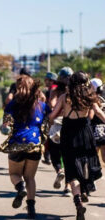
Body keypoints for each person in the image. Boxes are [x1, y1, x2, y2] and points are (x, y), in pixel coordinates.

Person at [49, 71, 104, 220]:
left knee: (71, 169)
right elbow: (99, 112)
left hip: (69, 135)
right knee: (86, 162)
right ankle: (85, 189)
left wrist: (50, 120)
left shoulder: (64, 97)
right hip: (85, 133)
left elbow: (53, 116)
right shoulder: (90, 97)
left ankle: (78, 202)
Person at [0, 75, 50, 219]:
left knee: (14, 174)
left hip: (17, 144)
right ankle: (31, 209)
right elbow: (49, 120)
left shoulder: (13, 104)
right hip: (35, 144)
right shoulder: (42, 105)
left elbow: (5, 125)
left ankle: (20, 188)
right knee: (30, 178)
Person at [47, 67, 74, 196]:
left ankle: (59, 170)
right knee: (68, 155)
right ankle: (68, 186)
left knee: (54, 152)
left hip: (57, 123)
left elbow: (52, 105)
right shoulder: (76, 91)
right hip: (72, 123)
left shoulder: (55, 90)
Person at [42, 72, 58, 165]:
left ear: (51, 80)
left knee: (47, 135)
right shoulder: (58, 88)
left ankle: (48, 157)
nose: (45, 81)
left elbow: (51, 104)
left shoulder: (53, 89)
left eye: (46, 80)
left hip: (53, 116)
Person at [89, 78, 105, 164]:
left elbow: (91, 116)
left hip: (96, 129)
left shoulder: (94, 98)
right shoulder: (103, 96)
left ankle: (91, 175)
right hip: (104, 128)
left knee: (92, 157)